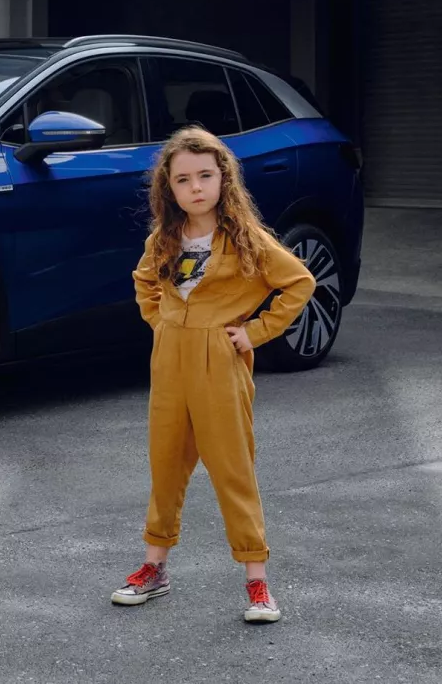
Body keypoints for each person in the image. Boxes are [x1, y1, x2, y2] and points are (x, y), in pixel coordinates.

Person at [110, 125, 316, 623]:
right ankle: (154, 568)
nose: (196, 187)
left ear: (224, 179)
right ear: (170, 188)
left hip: (219, 364)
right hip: (170, 361)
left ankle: (258, 582)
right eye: (183, 179)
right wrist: (160, 321)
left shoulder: (246, 239)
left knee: (232, 468)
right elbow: (144, 280)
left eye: (205, 175)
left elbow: (299, 282)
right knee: (165, 464)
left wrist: (256, 332)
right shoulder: (165, 238)